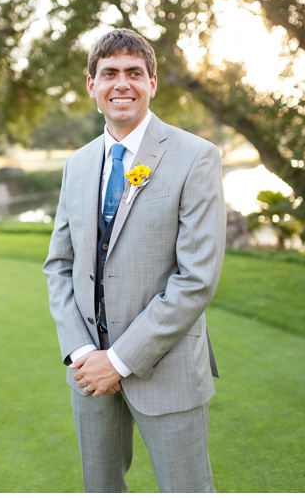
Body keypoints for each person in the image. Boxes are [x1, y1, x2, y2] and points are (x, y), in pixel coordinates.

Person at [43, 28, 226, 492]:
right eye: (109, 74)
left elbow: (196, 278)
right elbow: (59, 266)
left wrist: (120, 360)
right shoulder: (77, 164)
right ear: (91, 85)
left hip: (168, 370)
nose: (121, 83)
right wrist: (84, 354)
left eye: (133, 73)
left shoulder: (196, 157)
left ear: (152, 83)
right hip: (87, 374)